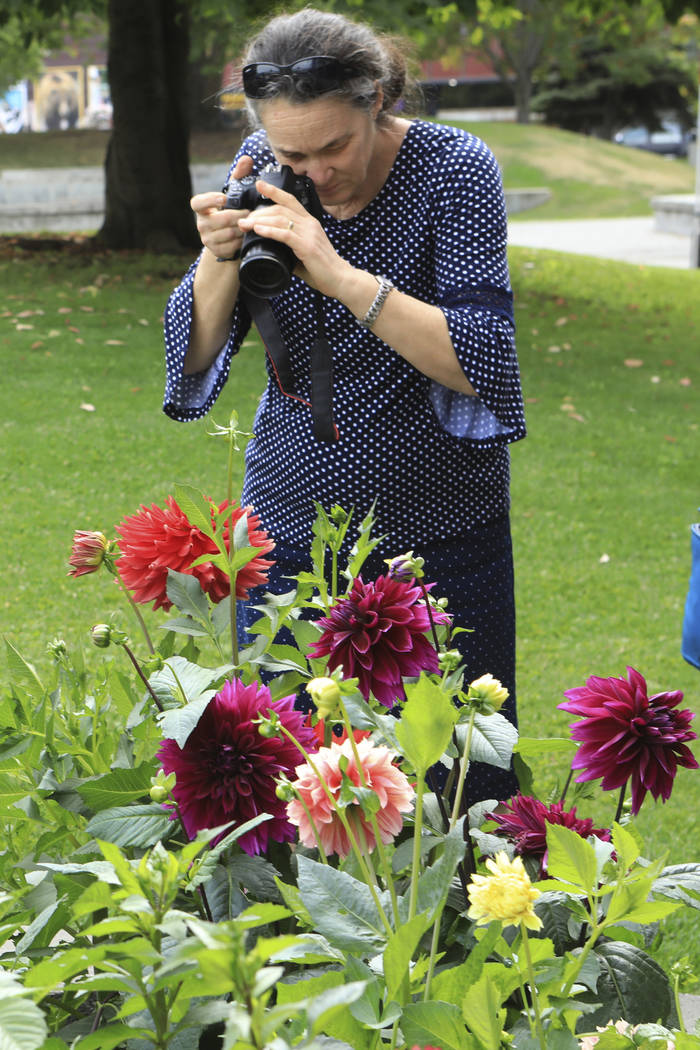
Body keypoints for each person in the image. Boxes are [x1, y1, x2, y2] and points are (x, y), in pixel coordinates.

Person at [163, 7, 526, 803]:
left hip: (440, 535)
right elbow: (189, 364)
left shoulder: (454, 169)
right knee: (289, 778)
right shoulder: (262, 164)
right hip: (289, 526)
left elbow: (483, 358)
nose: (316, 173)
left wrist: (337, 274)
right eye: (296, 151)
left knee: (456, 785)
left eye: (336, 147)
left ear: (379, 99)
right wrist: (217, 258)